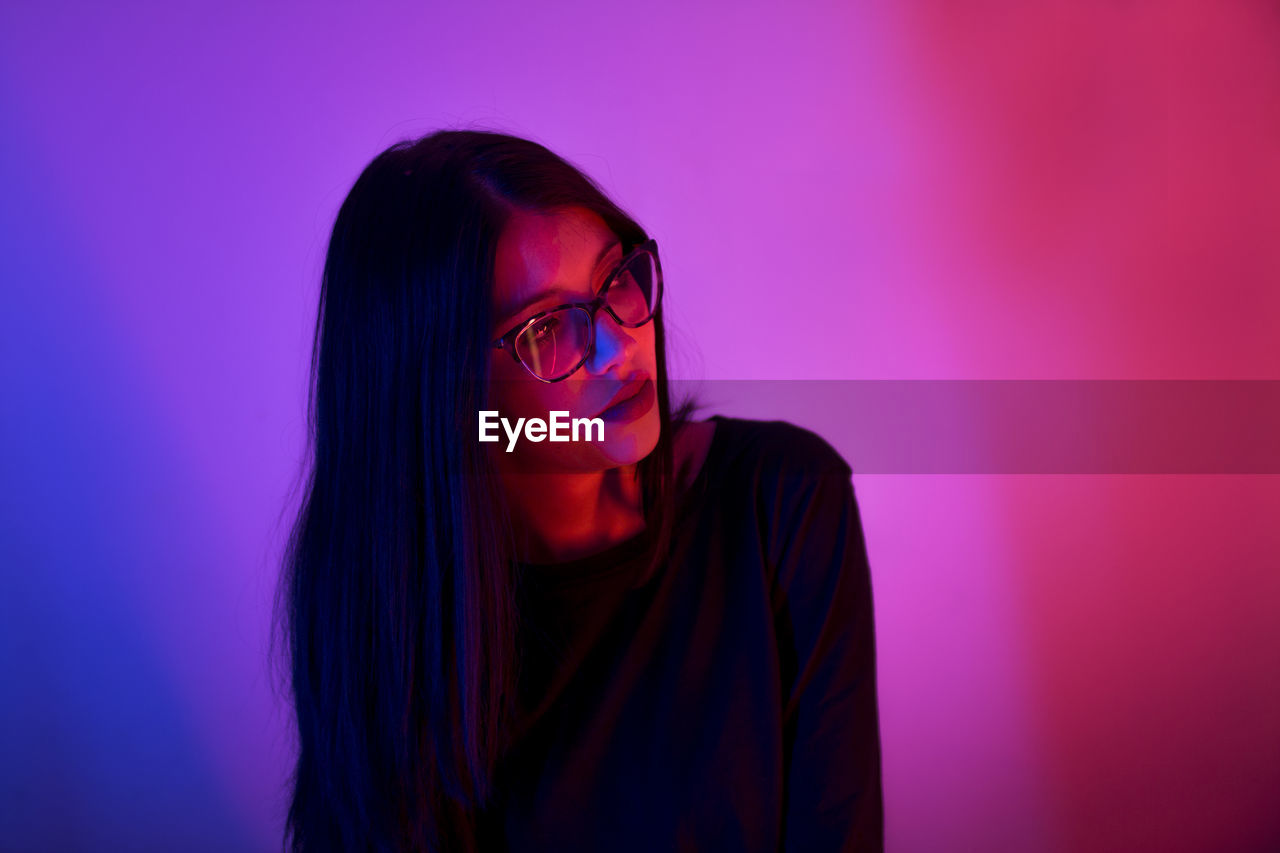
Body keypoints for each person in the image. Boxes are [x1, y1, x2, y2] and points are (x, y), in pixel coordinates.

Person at [275, 128, 883, 852]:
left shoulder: (779, 500)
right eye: (545, 331)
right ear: (438, 394)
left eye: (616, 279)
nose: (618, 343)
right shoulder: (379, 604)